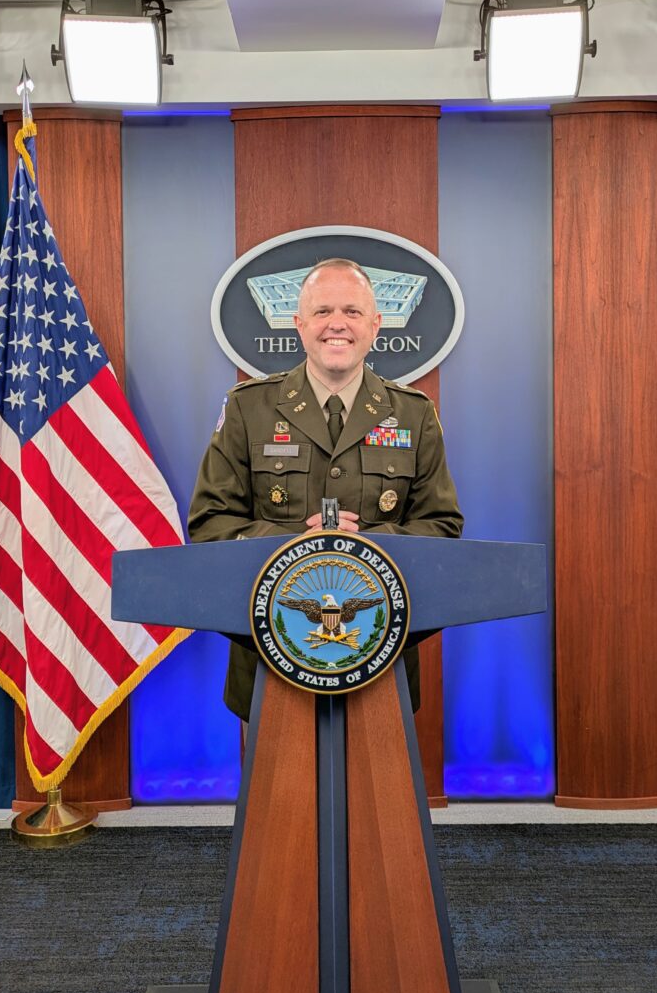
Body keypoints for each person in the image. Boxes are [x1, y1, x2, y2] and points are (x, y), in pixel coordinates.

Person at [188, 257, 463, 721]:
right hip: (268, 653)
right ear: (298, 324)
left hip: (380, 650)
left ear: (376, 325)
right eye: (322, 312)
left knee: (378, 794)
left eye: (352, 312)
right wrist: (296, 547)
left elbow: (443, 527)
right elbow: (210, 523)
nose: (338, 325)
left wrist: (366, 551)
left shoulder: (414, 414)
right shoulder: (247, 409)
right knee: (279, 794)